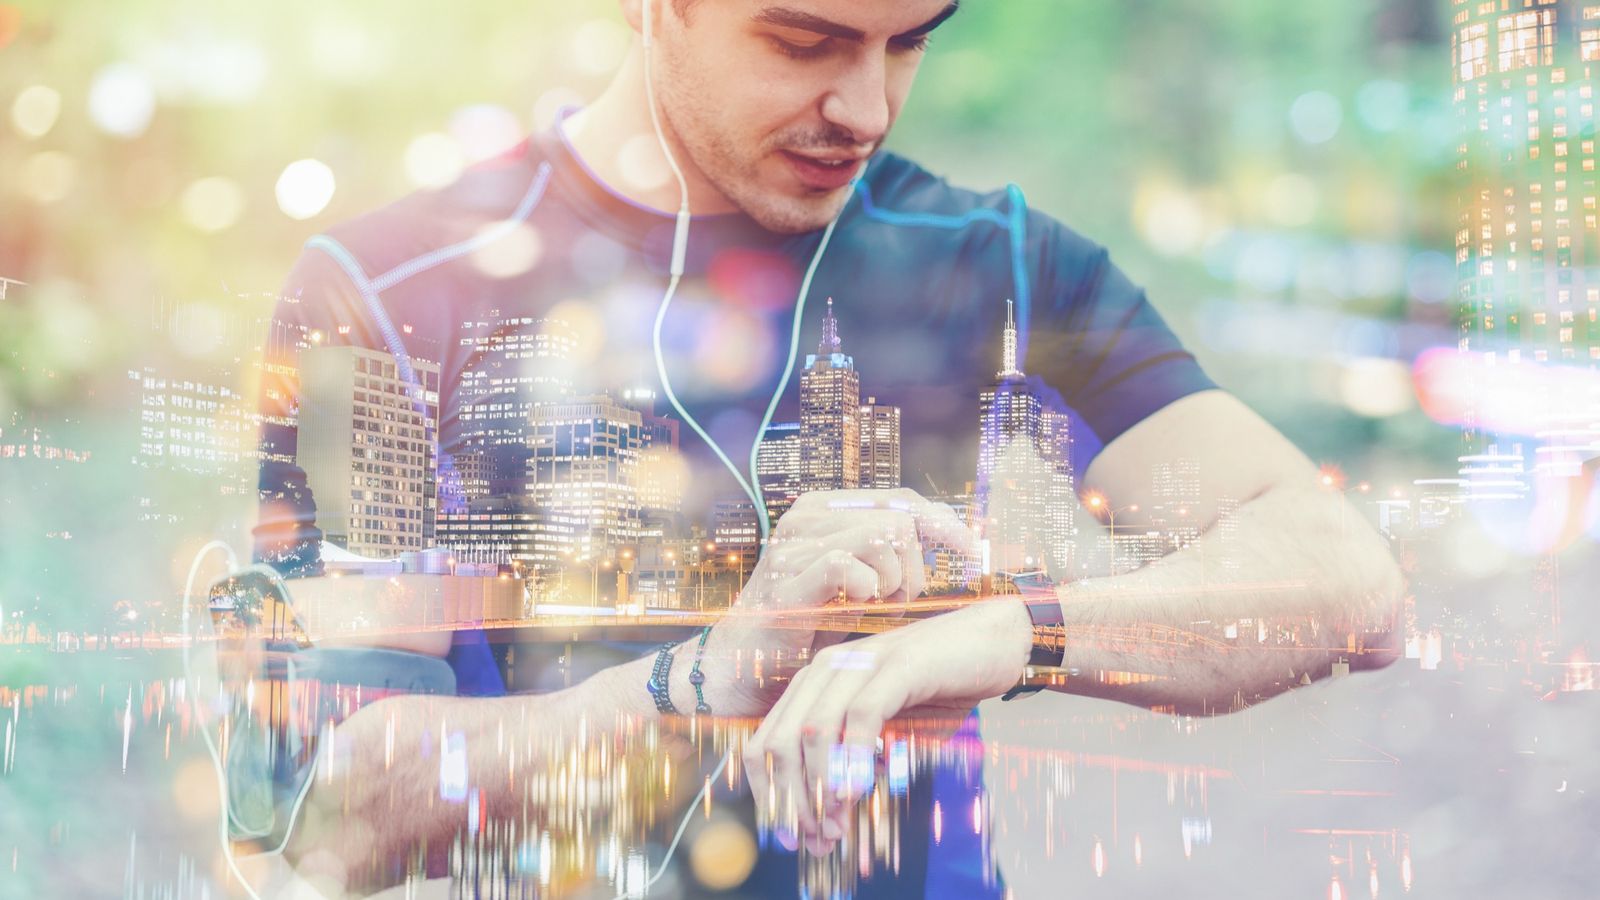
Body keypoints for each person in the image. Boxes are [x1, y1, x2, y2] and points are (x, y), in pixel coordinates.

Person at [254, 0, 1404, 893]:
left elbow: (1347, 582)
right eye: (804, 42)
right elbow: (325, 814)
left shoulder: (994, 260)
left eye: (908, 43)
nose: (865, 107)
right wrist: (707, 677)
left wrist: (1010, 634)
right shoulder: (387, 292)